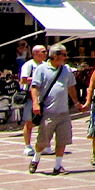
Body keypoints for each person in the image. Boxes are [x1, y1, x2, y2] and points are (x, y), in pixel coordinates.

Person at [29, 45, 80, 175]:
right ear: (55, 56)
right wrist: (35, 104)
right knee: (42, 141)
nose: (66, 57)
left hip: (63, 112)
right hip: (48, 112)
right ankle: (36, 159)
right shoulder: (42, 69)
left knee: (62, 140)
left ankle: (58, 166)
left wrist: (77, 103)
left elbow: (71, 87)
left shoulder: (67, 70)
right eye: (64, 54)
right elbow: (34, 87)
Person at [17, 45, 48, 158]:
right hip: (30, 96)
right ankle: (27, 146)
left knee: (44, 122)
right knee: (29, 122)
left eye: (46, 51)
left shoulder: (46, 65)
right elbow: (23, 79)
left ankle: (44, 145)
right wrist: (37, 78)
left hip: (43, 97)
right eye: (43, 51)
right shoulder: (29, 65)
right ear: (35, 54)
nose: (46, 53)